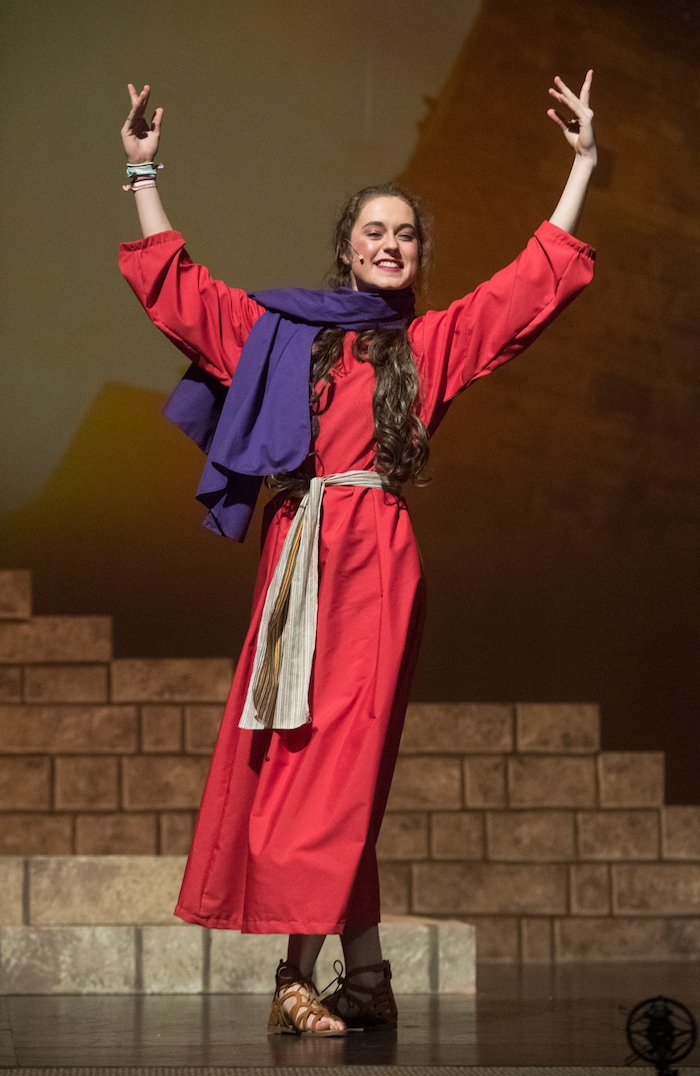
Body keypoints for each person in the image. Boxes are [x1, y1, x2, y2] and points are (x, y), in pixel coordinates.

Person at [119, 71, 597, 1036]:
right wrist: (143, 173)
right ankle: (360, 973)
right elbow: (181, 294)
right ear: (346, 249)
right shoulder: (282, 337)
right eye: (374, 231)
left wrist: (583, 165)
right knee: (305, 759)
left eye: (406, 234)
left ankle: (310, 975)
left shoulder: (430, 344)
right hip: (302, 557)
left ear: (420, 256)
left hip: (376, 563)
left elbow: (526, 288)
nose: (391, 244)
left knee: (345, 767)